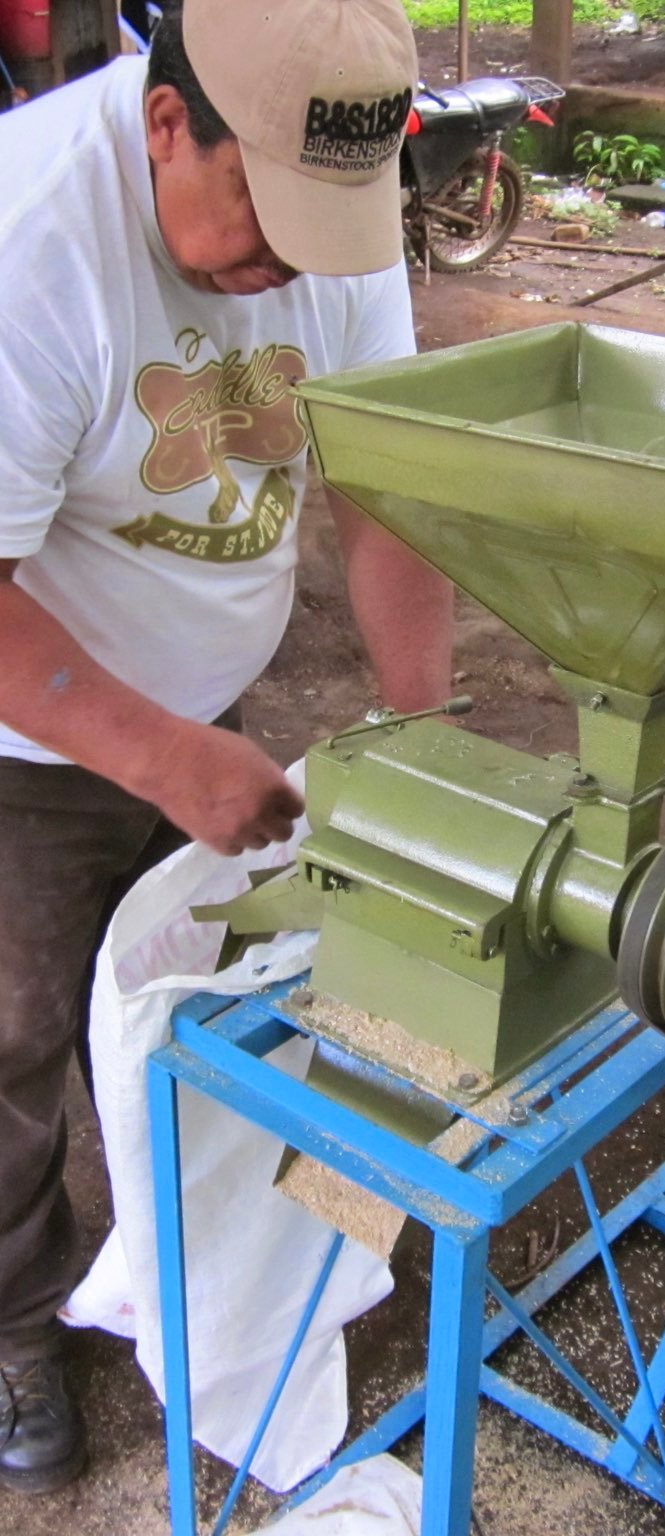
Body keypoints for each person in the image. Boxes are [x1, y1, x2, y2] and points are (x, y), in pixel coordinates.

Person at [0, 0, 452, 1494]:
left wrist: (422, 727)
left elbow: (379, 493)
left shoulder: (334, 223)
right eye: (259, 205)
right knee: (12, 1044)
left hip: (196, 706)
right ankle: (13, 1324)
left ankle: (237, 1266)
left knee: (240, 991)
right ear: (161, 120)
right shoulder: (28, 245)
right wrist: (161, 758)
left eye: (326, 224)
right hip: (26, 735)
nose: (287, 262)